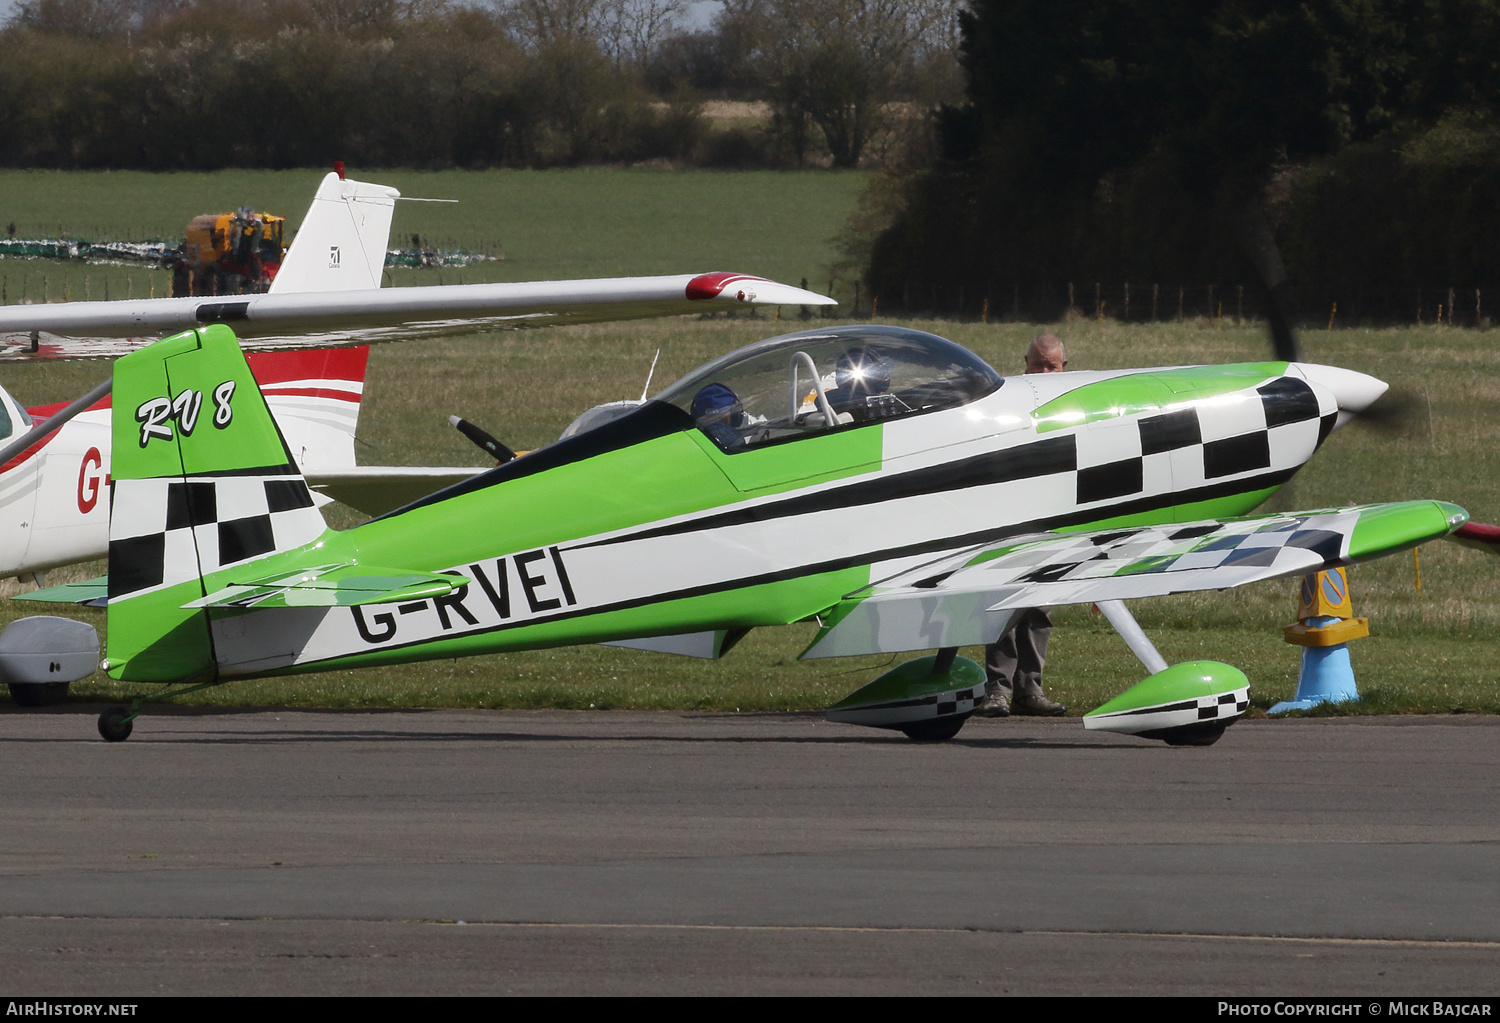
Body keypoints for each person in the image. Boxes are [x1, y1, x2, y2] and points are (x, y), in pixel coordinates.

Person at [979, 332, 1068, 718]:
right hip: (1009, 517)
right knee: (1004, 603)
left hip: (1054, 517)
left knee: (1039, 608)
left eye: (1052, 366)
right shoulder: (1009, 402)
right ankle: (997, 691)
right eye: (1038, 364)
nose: (1045, 372)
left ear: (1064, 367)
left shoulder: (1073, 408)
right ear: (1025, 363)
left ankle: (1030, 690)